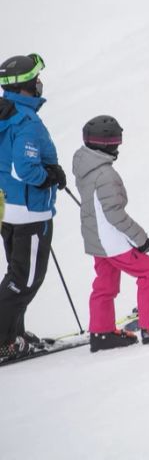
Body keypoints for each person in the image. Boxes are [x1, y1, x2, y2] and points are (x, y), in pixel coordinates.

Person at [73, 116, 149, 352]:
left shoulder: (85, 165)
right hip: (111, 240)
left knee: (105, 283)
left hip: (95, 238)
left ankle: (102, 333)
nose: (118, 147)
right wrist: (141, 239)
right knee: (148, 272)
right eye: (115, 142)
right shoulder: (105, 175)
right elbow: (115, 215)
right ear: (105, 145)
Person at [0, 54, 64, 360]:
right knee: (24, 281)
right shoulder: (26, 121)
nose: (40, 83)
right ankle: (3, 341)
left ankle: (14, 335)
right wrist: (48, 176)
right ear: (25, 85)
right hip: (28, 211)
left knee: (18, 276)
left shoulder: (5, 112)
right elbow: (24, 169)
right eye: (36, 79)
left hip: (7, 209)